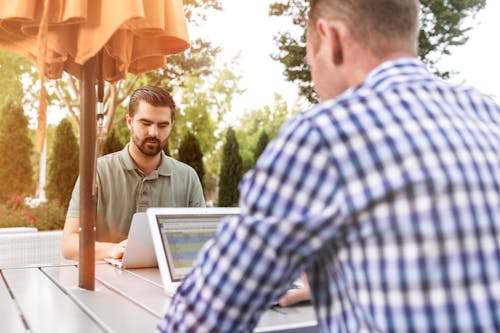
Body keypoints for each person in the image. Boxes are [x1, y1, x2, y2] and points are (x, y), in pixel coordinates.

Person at [160, 0, 500, 332]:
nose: (313, 72)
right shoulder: (489, 115)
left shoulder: (323, 134)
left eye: (311, 57)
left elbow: (204, 317)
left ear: (332, 38)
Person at [62, 86, 205, 261]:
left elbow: (201, 242)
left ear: (171, 126)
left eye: (162, 125)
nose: (154, 132)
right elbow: (68, 244)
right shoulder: (96, 172)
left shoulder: (188, 177)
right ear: (129, 122)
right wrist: (112, 250)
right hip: (107, 282)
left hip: (165, 283)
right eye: (145, 123)